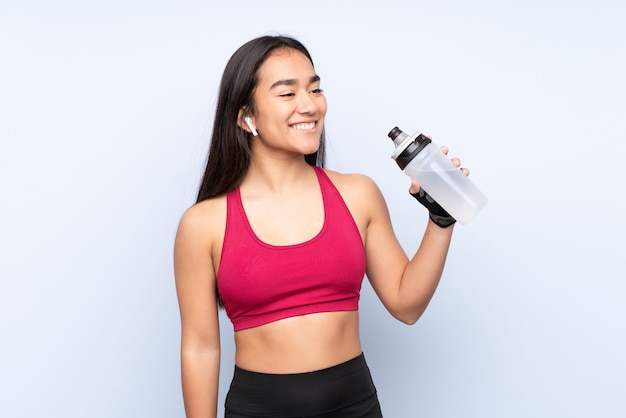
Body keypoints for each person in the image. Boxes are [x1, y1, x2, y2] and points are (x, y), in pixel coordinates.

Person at [174, 35, 470, 418]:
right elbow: (199, 348)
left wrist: (440, 220)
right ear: (246, 116)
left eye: (315, 88)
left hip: (356, 408)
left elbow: (406, 305)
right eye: (287, 93)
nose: (309, 105)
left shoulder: (357, 194)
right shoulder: (204, 224)